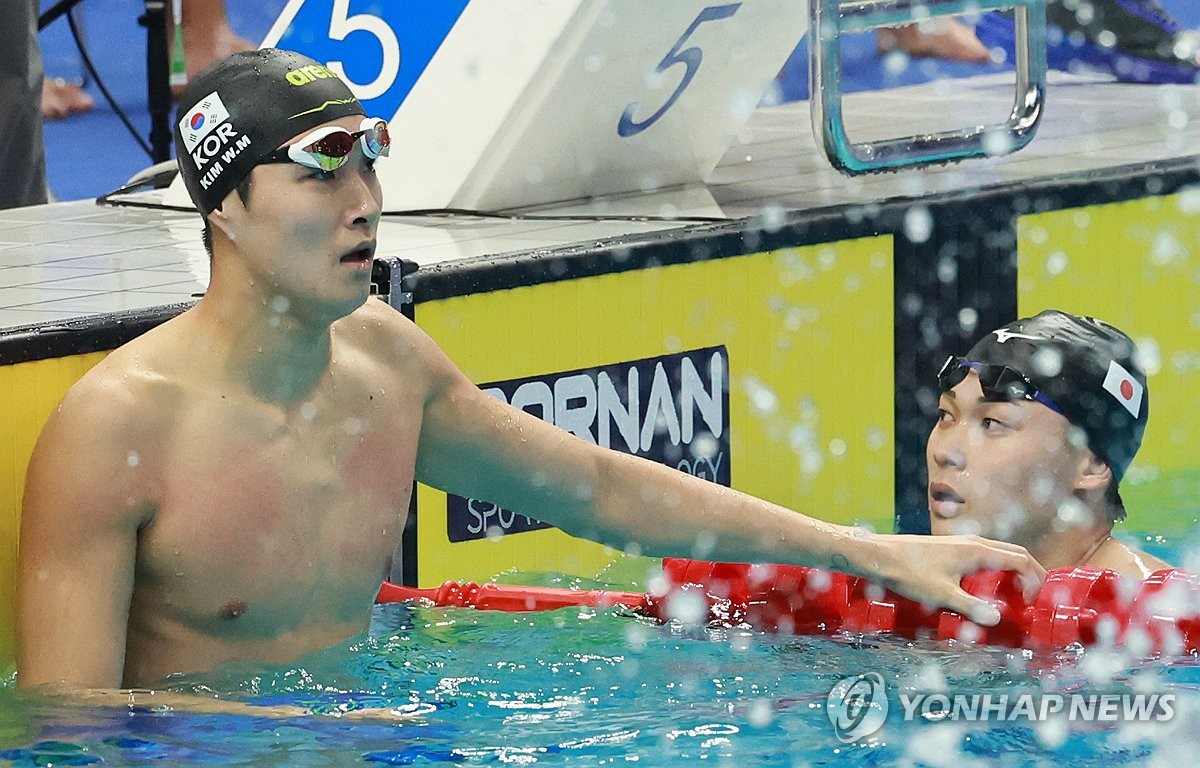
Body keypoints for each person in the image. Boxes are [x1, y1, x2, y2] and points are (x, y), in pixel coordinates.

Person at [16, 48, 1043, 692]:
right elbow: (71, 725)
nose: (364, 197)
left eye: (370, 157)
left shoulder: (383, 361)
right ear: (224, 209)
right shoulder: (119, 430)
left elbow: (597, 490)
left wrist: (866, 551)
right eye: (324, 166)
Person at [927, 310, 1170, 579]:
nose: (945, 452)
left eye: (992, 423)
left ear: (1090, 465)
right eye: (945, 415)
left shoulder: (1160, 609)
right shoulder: (916, 582)